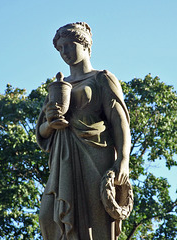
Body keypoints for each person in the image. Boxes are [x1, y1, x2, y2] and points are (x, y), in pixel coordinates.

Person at [36, 22, 131, 240]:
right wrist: (51, 124)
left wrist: (123, 159)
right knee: (48, 216)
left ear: (85, 45)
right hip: (63, 158)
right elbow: (41, 131)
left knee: (95, 219)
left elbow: (119, 121)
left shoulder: (102, 78)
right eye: (60, 49)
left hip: (96, 155)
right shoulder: (57, 87)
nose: (65, 52)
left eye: (69, 45)